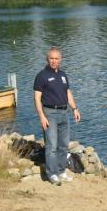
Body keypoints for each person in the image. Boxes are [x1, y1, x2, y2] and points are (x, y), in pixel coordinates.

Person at [33, 47, 81, 185]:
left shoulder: (63, 75)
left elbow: (68, 93)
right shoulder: (42, 76)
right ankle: (52, 174)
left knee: (63, 145)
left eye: (56, 58)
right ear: (47, 59)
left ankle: (61, 171)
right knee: (52, 146)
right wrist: (42, 116)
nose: (54, 61)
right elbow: (37, 98)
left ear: (60, 59)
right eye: (51, 58)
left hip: (64, 113)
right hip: (50, 113)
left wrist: (75, 109)